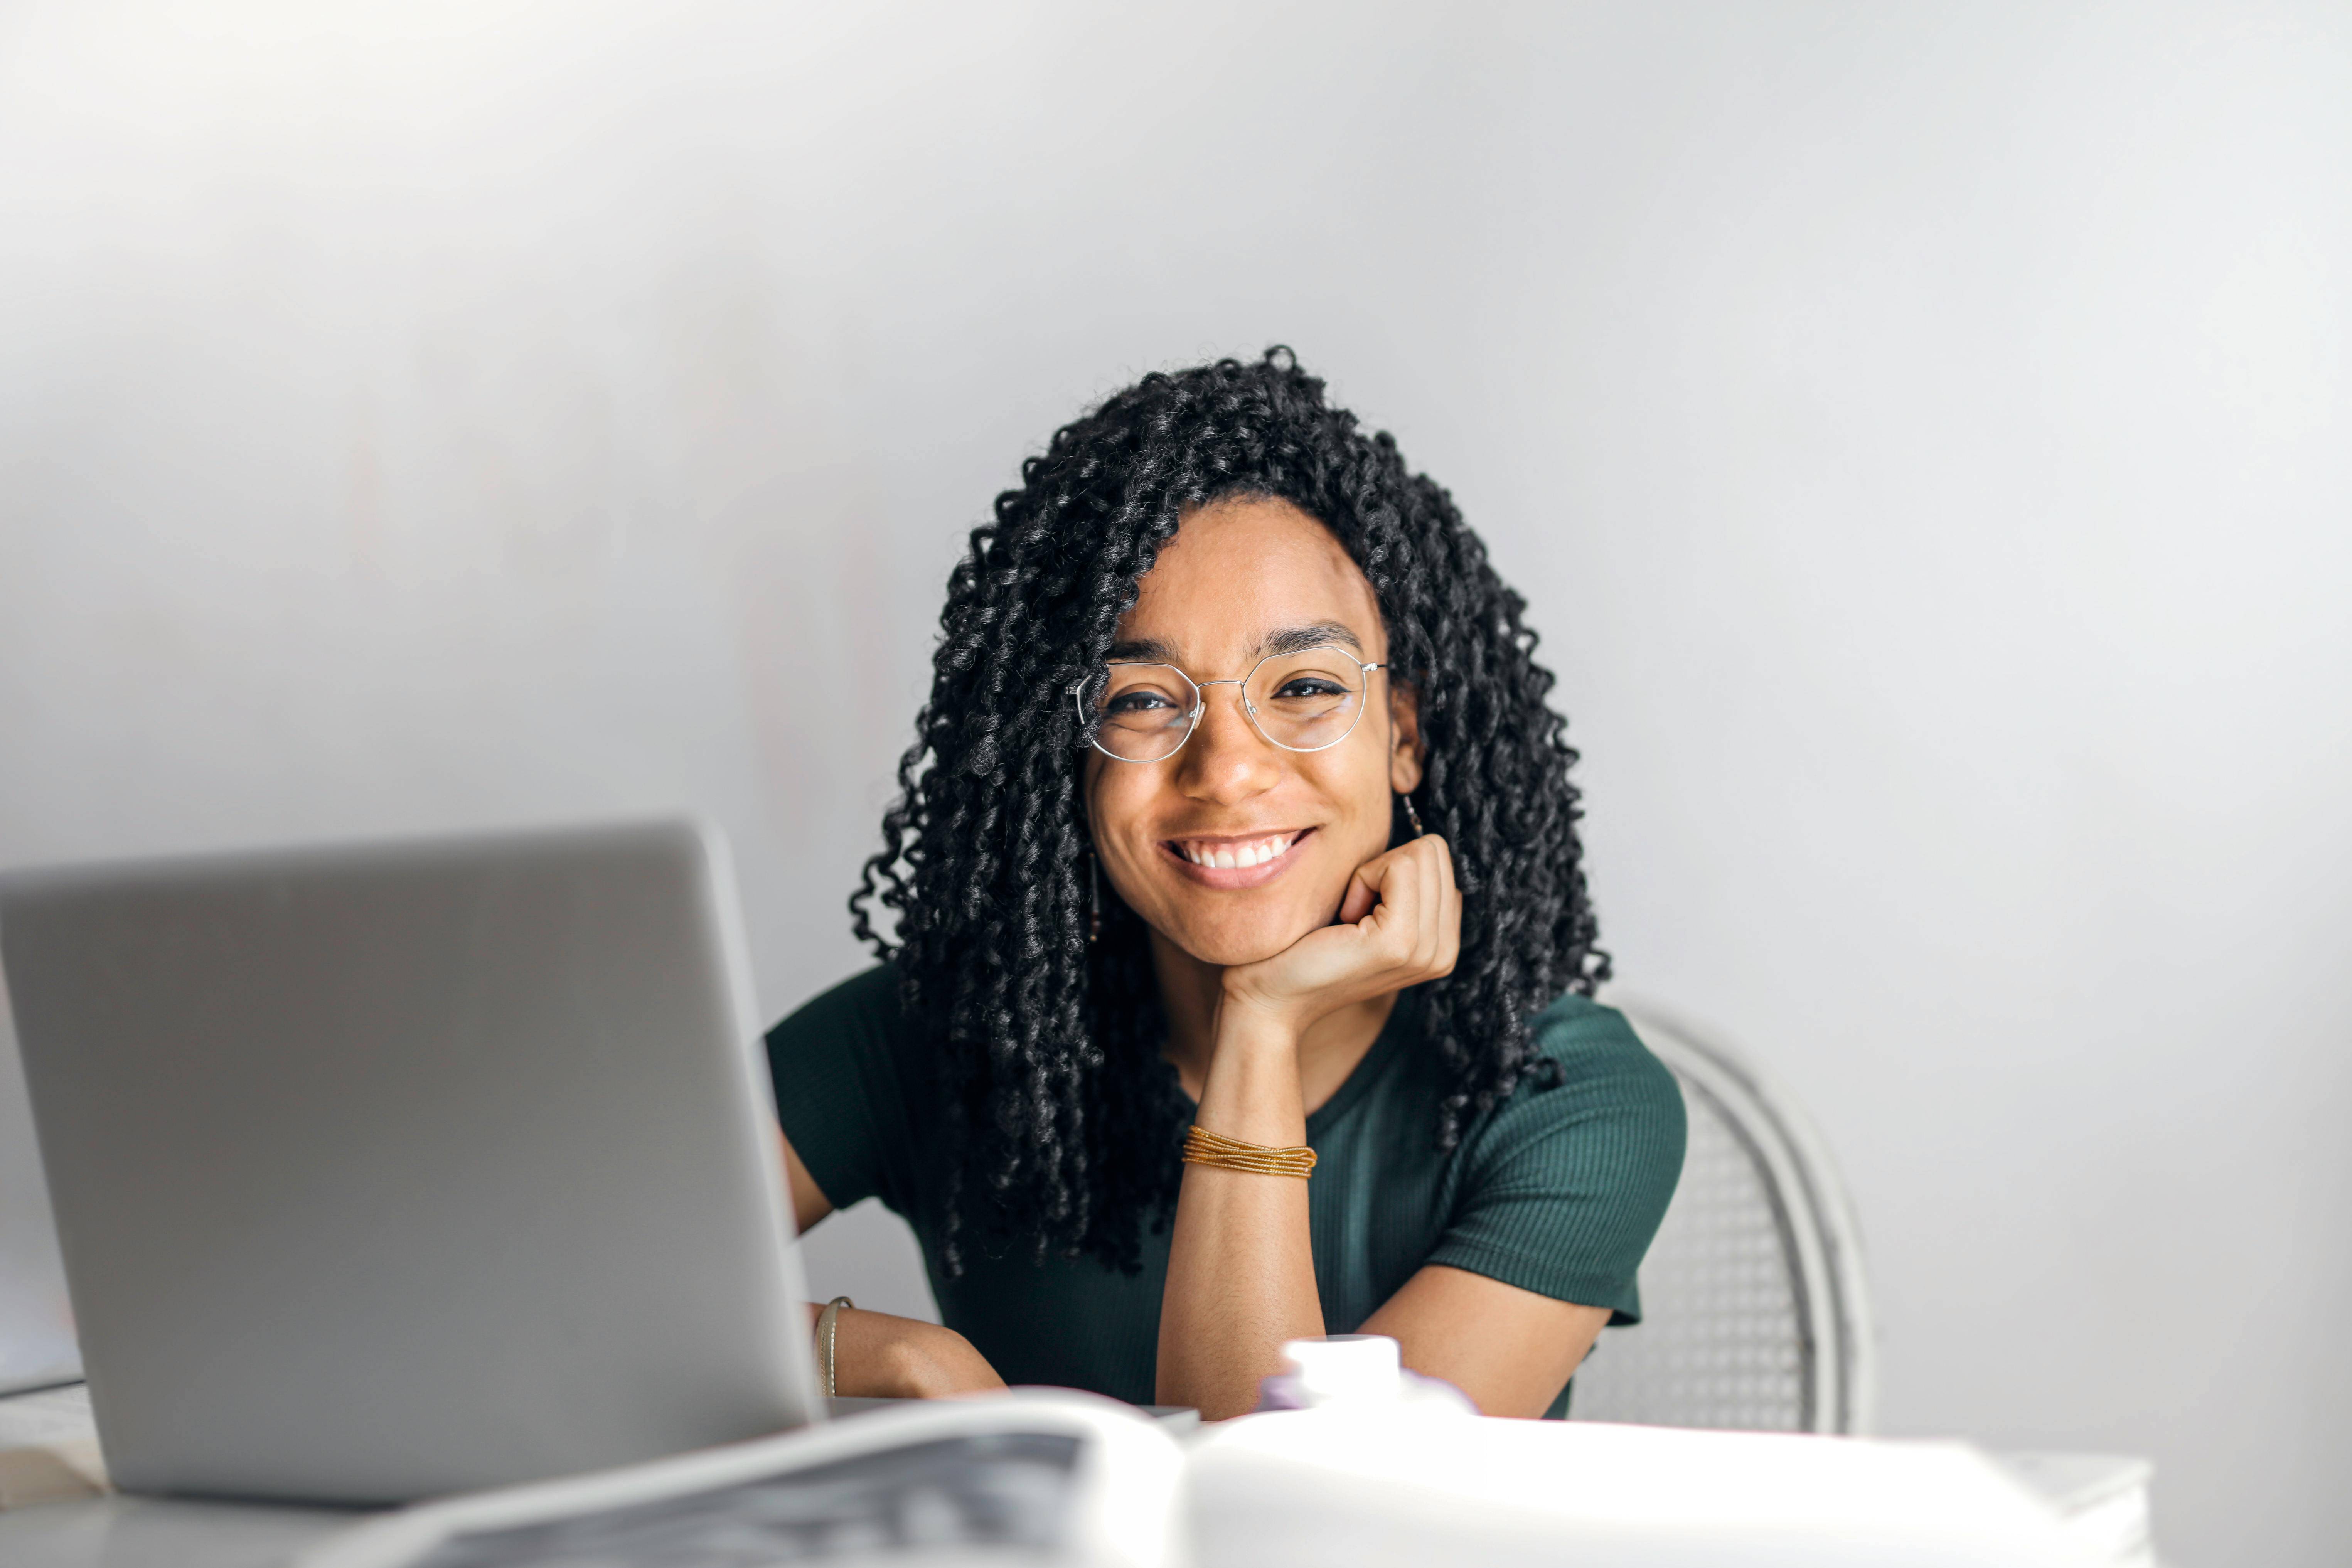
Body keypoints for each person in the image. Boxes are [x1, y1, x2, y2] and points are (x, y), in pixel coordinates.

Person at [767, 349, 1685, 1421]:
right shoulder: (942, 1030)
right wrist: (887, 1355)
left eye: (1301, 686)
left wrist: (1261, 1022)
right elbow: (547, 1280)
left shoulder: (1564, 1097)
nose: (1228, 768)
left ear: (1404, 734)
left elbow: (1291, 1527)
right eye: (1144, 701)